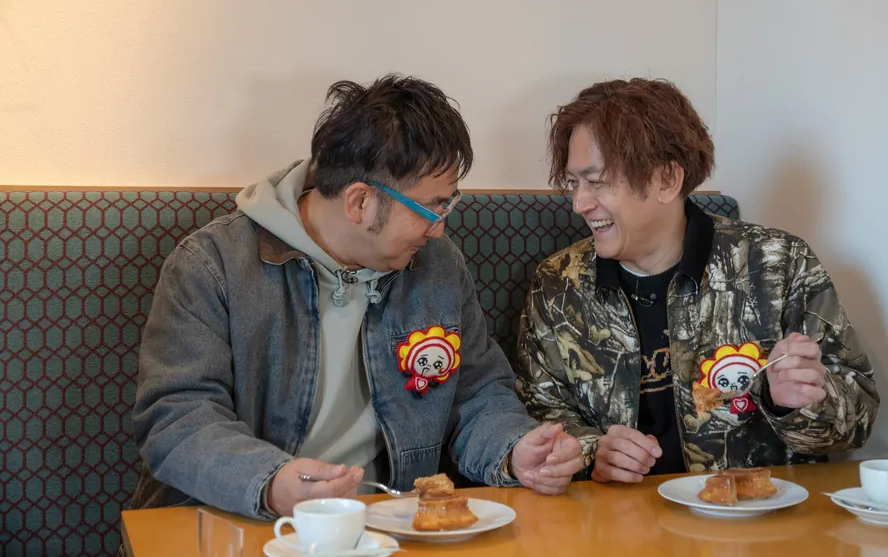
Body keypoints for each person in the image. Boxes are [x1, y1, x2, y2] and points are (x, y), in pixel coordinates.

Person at [130, 74, 584, 519]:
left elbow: (476, 392)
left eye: (448, 204)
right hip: (232, 524)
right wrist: (269, 482)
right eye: (429, 208)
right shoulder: (213, 265)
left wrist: (514, 449)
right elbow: (177, 418)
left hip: (388, 526)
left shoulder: (437, 264)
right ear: (359, 202)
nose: (439, 227)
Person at [515, 77, 879, 484]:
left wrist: (795, 403)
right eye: (574, 182)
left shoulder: (778, 264)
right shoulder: (559, 284)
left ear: (667, 179)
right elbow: (537, 410)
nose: (579, 203)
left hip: (754, 514)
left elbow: (857, 420)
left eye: (597, 181)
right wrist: (591, 451)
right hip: (619, 515)